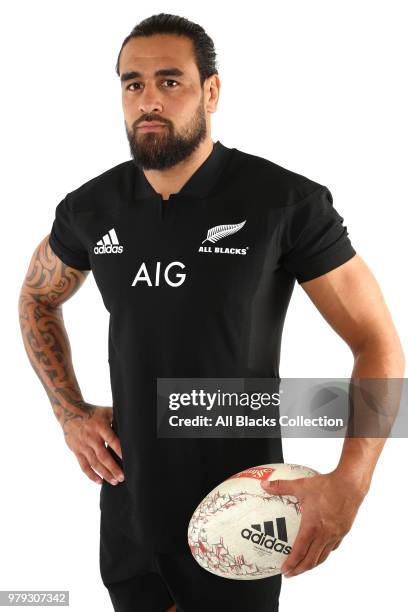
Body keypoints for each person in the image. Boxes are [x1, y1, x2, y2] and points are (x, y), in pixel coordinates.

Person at [18, 12, 405, 612]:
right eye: (133, 83)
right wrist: (69, 413)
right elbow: (38, 295)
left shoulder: (284, 202)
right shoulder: (91, 207)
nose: (149, 99)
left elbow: (377, 340)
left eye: (170, 81)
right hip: (128, 503)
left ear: (212, 91)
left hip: (241, 511)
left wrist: (350, 482)